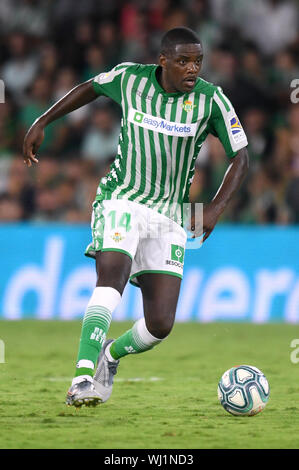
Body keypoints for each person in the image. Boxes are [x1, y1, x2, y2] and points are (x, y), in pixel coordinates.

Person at [23, 27, 249, 407]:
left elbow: (241, 155)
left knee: (160, 324)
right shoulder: (130, 79)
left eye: (198, 61)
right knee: (113, 275)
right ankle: (81, 377)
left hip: (171, 213)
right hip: (121, 199)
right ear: (163, 61)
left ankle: (109, 357)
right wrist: (43, 120)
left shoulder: (212, 100)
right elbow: (91, 87)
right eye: (183, 61)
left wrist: (214, 208)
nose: (192, 68)